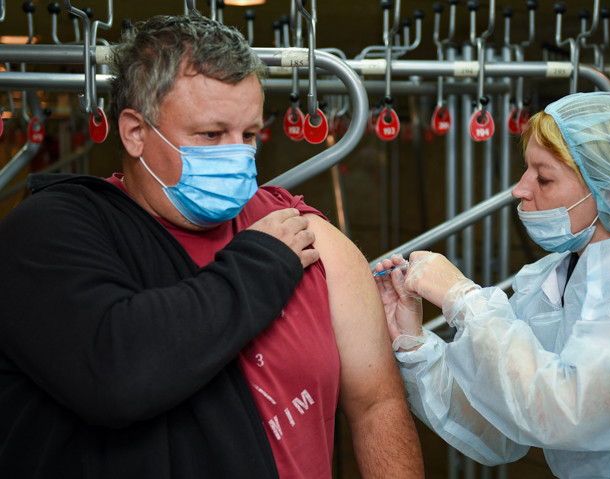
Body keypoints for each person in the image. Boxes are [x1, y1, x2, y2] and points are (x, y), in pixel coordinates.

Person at [0, 14, 423, 479]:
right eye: (211, 135)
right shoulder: (50, 233)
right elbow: (118, 373)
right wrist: (261, 263)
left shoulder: (300, 230)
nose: (238, 154)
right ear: (135, 132)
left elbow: (377, 405)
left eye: (249, 135)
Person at [375, 91, 610, 478]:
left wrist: (464, 300)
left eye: (543, 177)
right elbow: (503, 416)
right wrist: (414, 344)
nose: (520, 189)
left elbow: (567, 412)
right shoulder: (562, 273)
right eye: (526, 170)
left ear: (608, 188)